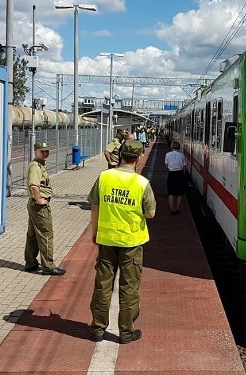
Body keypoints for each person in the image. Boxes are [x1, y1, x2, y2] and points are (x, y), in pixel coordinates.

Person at [87, 139, 156, 344]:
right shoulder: (142, 183)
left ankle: (98, 328)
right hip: (132, 242)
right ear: (139, 157)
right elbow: (151, 213)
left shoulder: (104, 177)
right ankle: (126, 332)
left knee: (103, 285)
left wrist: (95, 232)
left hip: (106, 240)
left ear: (120, 155)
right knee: (129, 287)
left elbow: (94, 206)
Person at [24, 141, 65, 276]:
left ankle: (30, 263)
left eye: (47, 151)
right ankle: (48, 266)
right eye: (42, 151)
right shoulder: (35, 166)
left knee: (33, 235)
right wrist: (40, 200)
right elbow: (34, 186)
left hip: (34, 205)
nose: (45, 153)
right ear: (36, 152)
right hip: (39, 207)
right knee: (46, 234)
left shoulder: (40, 165)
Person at [164, 141, 185, 214]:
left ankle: (172, 210)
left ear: (171, 147)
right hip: (180, 174)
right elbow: (184, 166)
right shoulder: (181, 155)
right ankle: (178, 209)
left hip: (171, 174)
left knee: (171, 193)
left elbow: (166, 166)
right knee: (180, 193)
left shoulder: (168, 154)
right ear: (178, 147)